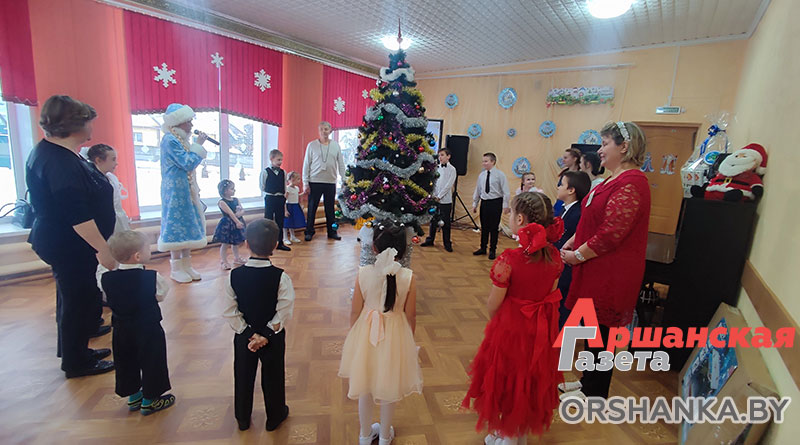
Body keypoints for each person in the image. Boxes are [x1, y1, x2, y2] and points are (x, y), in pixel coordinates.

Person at [462, 192, 565, 445]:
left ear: (520, 219)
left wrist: (500, 324)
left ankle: (508, 435)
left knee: (507, 381)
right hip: (540, 331)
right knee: (528, 381)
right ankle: (515, 434)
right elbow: (550, 294)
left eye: (511, 212)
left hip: (511, 329)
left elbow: (493, 304)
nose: (508, 216)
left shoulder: (509, 260)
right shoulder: (555, 256)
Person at [559, 122, 651, 400]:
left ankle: (595, 393)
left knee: (603, 333)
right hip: (596, 267)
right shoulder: (613, 179)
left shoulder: (632, 183)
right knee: (593, 329)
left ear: (624, 147)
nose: (599, 150)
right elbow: (593, 219)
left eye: (605, 144)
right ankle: (588, 382)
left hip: (611, 271)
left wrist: (577, 255)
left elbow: (611, 233)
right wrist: (574, 239)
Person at [26, 95, 116, 378]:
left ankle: (76, 350)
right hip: (68, 244)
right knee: (77, 300)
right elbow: (77, 215)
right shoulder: (59, 162)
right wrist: (103, 248)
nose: (92, 127)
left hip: (66, 242)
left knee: (73, 298)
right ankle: (76, 363)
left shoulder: (57, 152)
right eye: (89, 122)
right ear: (76, 125)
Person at [339, 221, 422, 445]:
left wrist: (354, 337)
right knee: (389, 384)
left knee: (364, 384)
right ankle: (385, 436)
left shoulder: (363, 273)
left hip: (366, 333)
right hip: (396, 335)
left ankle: (365, 435)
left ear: (374, 247)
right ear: (403, 250)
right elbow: (411, 315)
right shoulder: (408, 277)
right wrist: (409, 340)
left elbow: (355, 310)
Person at [223, 219, 295, 432]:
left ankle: (242, 417)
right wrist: (265, 334)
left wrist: (248, 333)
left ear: (246, 244)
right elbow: (284, 309)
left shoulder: (234, 275)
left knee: (243, 374)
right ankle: (275, 416)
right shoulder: (281, 277)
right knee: (274, 374)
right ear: (275, 245)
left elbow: (230, 310)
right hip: (272, 337)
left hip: (244, 336)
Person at [100, 230, 175, 415]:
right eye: (147, 248)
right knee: (153, 360)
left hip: (121, 328)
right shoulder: (151, 277)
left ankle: (133, 396)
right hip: (148, 327)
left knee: (125, 360)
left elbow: (107, 297)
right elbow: (160, 295)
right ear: (138, 256)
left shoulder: (106, 278)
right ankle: (151, 399)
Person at [157, 103, 210, 283]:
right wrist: (198, 145)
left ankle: (187, 265)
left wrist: (195, 145)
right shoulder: (169, 140)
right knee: (176, 226)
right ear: (179, 122)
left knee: (187, 225)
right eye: (189, 121)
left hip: (185, 190)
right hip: (175, 191)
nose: (191, 125)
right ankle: (176, 268)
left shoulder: (181, 139)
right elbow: (187, 163)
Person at [553, 171, 591, 328]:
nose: (558, 187)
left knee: (565, 306)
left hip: (568, 267)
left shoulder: (578, 213)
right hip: (559, 265)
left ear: (571, 190)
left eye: (561, 184)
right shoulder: (564, 209)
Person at [303, 121, 346, 241]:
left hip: (330, 181)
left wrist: (344, 179)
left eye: (326, 129)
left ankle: (332, 232)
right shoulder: (312, 145)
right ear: (319, 131)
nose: (324, 131)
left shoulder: (336, 145)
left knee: (330, 209)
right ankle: (309, 231)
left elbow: (341, 164)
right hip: (314, 181)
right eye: (321, 129)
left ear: (330, 131)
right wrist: (305, 182)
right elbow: (306, 164)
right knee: (312, 208)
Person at [472, 152, 511, 260]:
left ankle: (492, 249)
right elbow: (478, 190)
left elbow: (506, 191)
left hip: (495, 202)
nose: (483, 163)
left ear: (493, 162)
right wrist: (475, 203)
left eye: (486, 161)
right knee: (484, 227)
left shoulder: (500, 175)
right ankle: (483, 247)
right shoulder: (482, 175)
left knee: (494, 227)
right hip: (484, 203)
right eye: (483, 161)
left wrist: (505, 205)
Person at [86, 144, 130, 233]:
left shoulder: (111, 178)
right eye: (113, 159)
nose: (116, 163)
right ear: (98, 160)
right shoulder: (93, 183)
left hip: (117, 219)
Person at [421, 148, 456, 252]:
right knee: (433, 220)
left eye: (442, 155)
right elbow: (434, 182)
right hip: (435, 198)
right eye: (439, 155)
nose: (440, 157)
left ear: (448, 156)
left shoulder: (452, 169)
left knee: (445, 222)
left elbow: (448, 185)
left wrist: (439, 196)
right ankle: (430, 240)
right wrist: (433, 195)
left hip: (445, 200)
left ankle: (447, 243)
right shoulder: (436, 168)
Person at [213, 179, 247, 270]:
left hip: (237, 221)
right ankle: (224, 261)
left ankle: (237, 257)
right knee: (225, 244)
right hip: (228, 224)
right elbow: (230, 213)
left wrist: (240, 213)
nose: (234, 190)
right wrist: (237, 222)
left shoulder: (236, 199)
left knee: (235, 243)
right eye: (232, 189)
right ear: (225, 191)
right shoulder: (222, 202)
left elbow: (242, 209)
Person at [261, 149, 291, 251]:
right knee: (268, 221)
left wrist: (283, 195)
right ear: (271, 159)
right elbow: (262, 186)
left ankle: (280, 242)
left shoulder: (283, 172)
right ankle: (266, 244)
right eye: (278, 160)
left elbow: (284, 185)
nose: (280, 162)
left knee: (280, 221)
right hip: (270, 198)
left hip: (280, 198)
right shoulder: (265, 172)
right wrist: (271, 191)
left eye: (281, 160)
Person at [554, 148, 583, 217]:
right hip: (560, 203)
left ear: (574, 159)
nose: (563, 160)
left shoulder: (580, 175)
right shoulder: (564, 173)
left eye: (566, 158)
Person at [283, 171, 306, 245]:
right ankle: (285, 238)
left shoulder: (297, 188)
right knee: (286, 223)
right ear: (292, 180)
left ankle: (292, 236)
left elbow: (296, 196)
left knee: (292, 222)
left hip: (295, 206)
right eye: (298, 179)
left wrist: (302, 195)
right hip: (289, 207)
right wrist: (285, 210)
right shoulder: (287, 189)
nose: (299, 181)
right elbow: (284, 200)